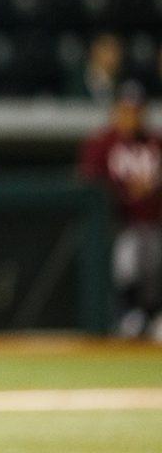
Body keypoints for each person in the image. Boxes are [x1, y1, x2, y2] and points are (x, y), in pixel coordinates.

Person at [80, 82, 162, 338]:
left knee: (150, 255)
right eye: (126, 109)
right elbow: (89, 184)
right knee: (129, 254)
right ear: (116, 110)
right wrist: (125, 192)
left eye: (136, 109)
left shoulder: (156, 142)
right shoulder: (103, 142)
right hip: (116, 227)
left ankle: (151, 314)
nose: (131, 115)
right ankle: (127, 314)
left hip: (154, 225)